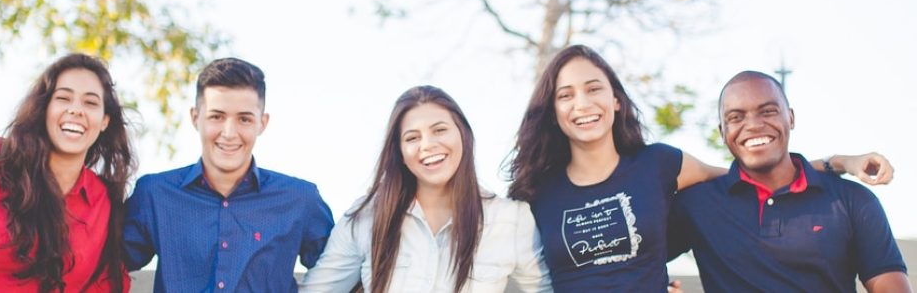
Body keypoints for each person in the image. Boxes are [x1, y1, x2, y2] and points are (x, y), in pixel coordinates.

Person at [505, 45, 893, 292]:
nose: (583, 103)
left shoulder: (659, 164)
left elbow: (755, 173)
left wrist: (836, 163)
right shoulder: (537, 193)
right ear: (552, 109)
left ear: (617, 100)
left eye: (594, 88)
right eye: (566, 95)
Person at [667, 70, 910, 292]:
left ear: (791, 118)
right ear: (722, 132)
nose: (753, 125)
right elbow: (634, 260)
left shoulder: (851, 200)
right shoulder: (696, 204)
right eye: (736, 117)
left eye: (768, 111)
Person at [300, 85, 551, 293]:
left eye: (440, 130)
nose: (428, 145)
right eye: (412, 138)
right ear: (399, 152)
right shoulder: (367, 217)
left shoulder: (511, 220)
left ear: (463, 134)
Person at [0, 53, 135, 292]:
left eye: (90, 103)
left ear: (104, 121)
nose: (76, 110)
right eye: (63, 98)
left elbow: (108, 286)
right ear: (44, 109)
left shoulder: (104, 200)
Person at [124, 57, 334, 292]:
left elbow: (343, 272)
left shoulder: (300, 200)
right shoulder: (155, 194)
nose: (229, 132)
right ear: (196, 118)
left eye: (244, 119)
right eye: (217, 116)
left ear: (262, 123)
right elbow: (103, 263)